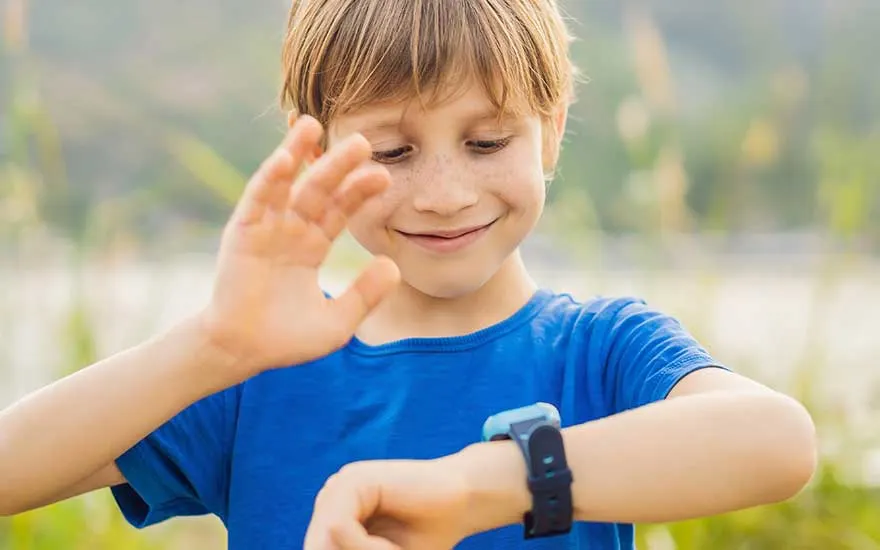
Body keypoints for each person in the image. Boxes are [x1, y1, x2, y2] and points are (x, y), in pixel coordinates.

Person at [0, 0, 817, 548]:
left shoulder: (603, 350)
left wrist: (481, 485)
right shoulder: (254, 373)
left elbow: (774, 443)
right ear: (314, 147)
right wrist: (212, 346)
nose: (445, 195)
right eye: (391, 152)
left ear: (553, 128)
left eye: (488, 141)